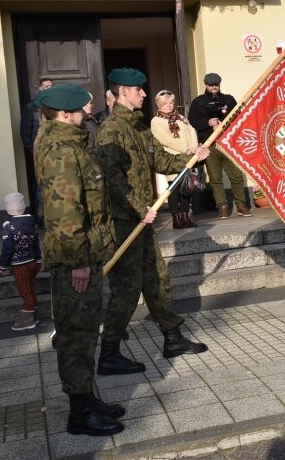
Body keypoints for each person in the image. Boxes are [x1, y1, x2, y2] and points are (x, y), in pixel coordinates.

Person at [96, 68, 211, 375]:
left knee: (157, 279)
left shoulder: (137, 127)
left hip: (142, 219)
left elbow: (159, 159)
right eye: (139, 90)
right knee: (126, 289)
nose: (144, 94)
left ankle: (172, 337)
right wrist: (137, 208)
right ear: (123, 92)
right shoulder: (111, 130)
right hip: (124, 222)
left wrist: (192, 159)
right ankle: (109, 353)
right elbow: (112, 178)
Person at [34, 83, 125, 436]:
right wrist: (78, 263)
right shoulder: (61, 151)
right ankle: (80, 413)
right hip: (76, 258)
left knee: (84, 332)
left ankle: (87, 400)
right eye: (83, 109)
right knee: (76, 335)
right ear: (65, 113)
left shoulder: (70, 144)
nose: (89, 113)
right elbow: (64, 212)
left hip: (86, 251)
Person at [188, 73, 251, 219]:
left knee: (236, 176)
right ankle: (222, 207)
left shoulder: (228, 99)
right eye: (211, 84)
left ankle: (241, 205)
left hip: (229, 144)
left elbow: (239, 118)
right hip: (209, 145)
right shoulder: (198, 101)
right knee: (215, 178)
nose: (214, 87)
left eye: (216, 84)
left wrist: (224, 125)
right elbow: (192, 120)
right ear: (206, 85)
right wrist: (208, 123)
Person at [150, 89, 202, 229]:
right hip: (172, 159)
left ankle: (185, 217)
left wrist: (193, 147)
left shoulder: (180, 118)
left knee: (187, 188)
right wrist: (186, 149)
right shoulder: (156, 121)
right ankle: (176, 219)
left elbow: (191, 130)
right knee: (174, 189)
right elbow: (165, 139)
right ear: (159, 105)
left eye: (171, 102)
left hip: (187, 157)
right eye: (165, 103)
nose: (169, 105)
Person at [0, 192, 42, 331]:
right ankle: (34, 314)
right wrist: (38, 260)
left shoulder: (8, 226)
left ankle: (28, 320)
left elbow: (8, 248)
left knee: (25, 291)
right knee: (31, 288)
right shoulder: (32, 223)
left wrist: (2, 266)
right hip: (33, 262)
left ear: (7, 208)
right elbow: (36, 243)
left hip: (19, 266)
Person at [20, 77, 53, 223]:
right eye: (46, 86)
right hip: (38, 154)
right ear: (40, 88)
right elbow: (25, 134)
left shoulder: (55, 105)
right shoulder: (30, 107)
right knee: (41, 187)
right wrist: (33, 151)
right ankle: (41, 219)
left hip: (53, 153)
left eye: (51, 86)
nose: (49, 88)